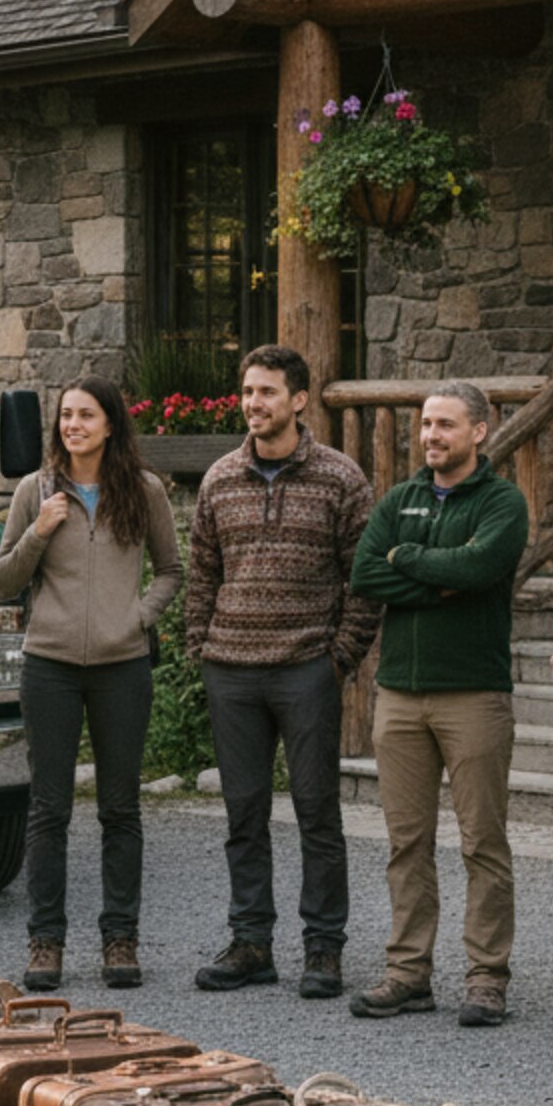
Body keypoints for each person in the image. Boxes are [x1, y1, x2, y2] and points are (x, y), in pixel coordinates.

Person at [185, 344, 380, 1000]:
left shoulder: (340, 478)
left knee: (317, 811)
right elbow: (203, 573)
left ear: (299, 400)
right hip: (230, 670)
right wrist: (200, 647)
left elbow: (365, 578)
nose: (253, 403)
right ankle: (250, 943)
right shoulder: (219, 479)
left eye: (266, 392)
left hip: (305, 669)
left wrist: (339, 657)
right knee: (243, 814)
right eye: (246, 391)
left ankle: (323, 949)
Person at [348, 382, 530, 1027]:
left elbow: (481, 570)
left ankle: (486, 977)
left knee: (483, 841)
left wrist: (412, 561)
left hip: (473, 695)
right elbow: (366, 573)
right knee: (407, 842)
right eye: (426, 424)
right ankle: (408, 973)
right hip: (398, 694)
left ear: (480, 431)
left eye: (445, 425)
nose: (431, 436)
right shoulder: (399, 499)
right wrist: (438, 577)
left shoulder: (503, 501)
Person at [0, 376, 180, 991]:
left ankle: (120, 939)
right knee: (48, 810)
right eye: (66, 416)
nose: (73, 425)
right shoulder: (34, 490)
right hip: (49, 665)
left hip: (122, 667)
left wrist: (139, 618)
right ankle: (46, 943)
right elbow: (2, 579)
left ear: (110, 425)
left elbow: (171, 571)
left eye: (86, 415)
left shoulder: (142, 490)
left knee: (120, 808)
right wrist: (40, 529)